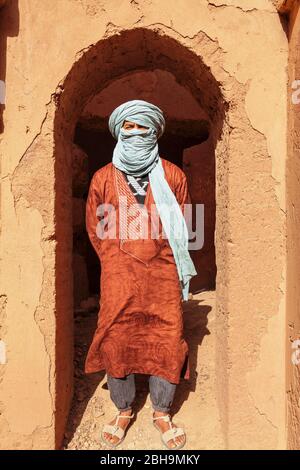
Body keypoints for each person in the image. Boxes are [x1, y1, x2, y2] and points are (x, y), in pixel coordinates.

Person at [84, 99, 197, 449]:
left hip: (163, 273)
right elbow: (95, 226)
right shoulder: (103, 177)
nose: (134, 133)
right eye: (128, 127)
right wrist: (116, 260)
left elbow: (184, 223)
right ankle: (123, 408)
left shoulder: (174, 175)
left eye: (141, 126)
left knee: (166, 334)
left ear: (154, 130)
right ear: (119, 130)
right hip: (118, 273)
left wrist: (162, 257)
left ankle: (162, 410)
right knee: (117, 334)